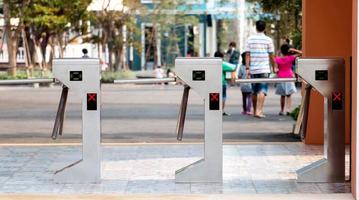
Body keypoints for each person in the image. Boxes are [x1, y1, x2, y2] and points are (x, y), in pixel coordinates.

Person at [245, 20, 276, 118]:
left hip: (253, 69)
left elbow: (247, 54)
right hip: (264, 68)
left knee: (254, 91)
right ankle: (259, 111)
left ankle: (255, 111)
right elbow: (271, 55)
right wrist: (274, 66)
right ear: (265, 28)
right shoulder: (268, 40)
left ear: (256, 28)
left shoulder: (250, 39)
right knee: (262, 90)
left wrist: (247, 68)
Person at [275, 44, 302, 115]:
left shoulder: (277, 59)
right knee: (288, 95)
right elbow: (301, 53)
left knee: (282, 95)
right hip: (289, 77)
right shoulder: (290, 58)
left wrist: (278, 52)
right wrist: (293, 50)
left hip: (280, 77)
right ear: (288, 50)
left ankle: (281, 110)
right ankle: (288, 110)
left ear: (281, 51)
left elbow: (276, 68)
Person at [214, 50, 237, 116]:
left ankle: (214, 111)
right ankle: (221, 111)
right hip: (222, 83)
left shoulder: (211, 64)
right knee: (223, 97)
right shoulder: (222, 63)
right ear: (222, 57)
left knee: (214, 97)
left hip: (213, 83)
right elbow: (233, 68)